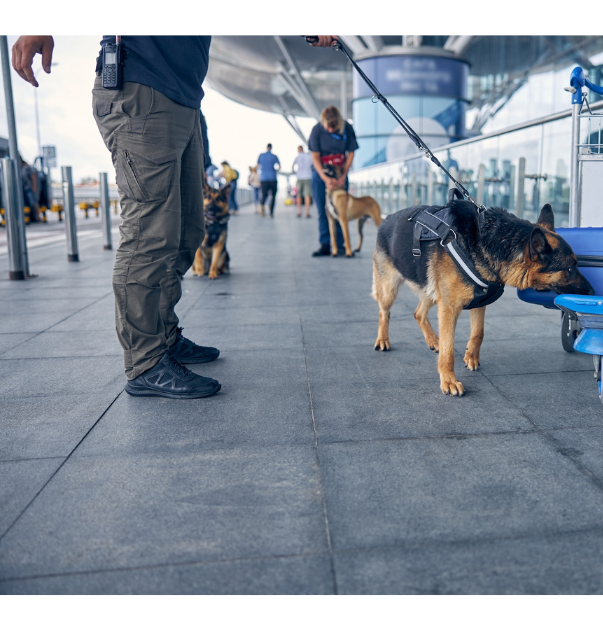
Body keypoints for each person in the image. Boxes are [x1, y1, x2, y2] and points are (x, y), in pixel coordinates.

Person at [11, 35, 338, 399]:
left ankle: (164, 337)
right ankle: (146, 362)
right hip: (142, 88)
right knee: (149, 235)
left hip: (183, 99)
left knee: (187, 231)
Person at [308, 106, 358, 256]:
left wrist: (343, 175)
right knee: (323, 209)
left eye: (334, 128)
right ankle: (325, 244)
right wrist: (325, 178)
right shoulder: (316, 130)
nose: (330, 131)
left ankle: (341, 245)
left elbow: (351, 153)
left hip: (340, 172)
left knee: (341, 211)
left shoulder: (347, 128)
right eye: (328, 128)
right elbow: (315, 157)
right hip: (320, 174)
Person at [257, 143, 281, 217]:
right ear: (271, 148)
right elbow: (279, 166)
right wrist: (275, 171)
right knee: (273, 196)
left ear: (266, 147)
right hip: (273, 178)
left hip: (264, 178)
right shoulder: (274, 156)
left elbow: (257, 166)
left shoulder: (261, 156)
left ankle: (262, 206)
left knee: (264, 194)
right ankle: (271, 212)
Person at [292, 145, 313, 218]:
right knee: (307, 195)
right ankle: (307, 212)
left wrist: (295, 172)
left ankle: (299, 211)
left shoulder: (297, 157)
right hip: (308, 177)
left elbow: (293, 166)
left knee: (299, 195)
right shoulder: (309, 157)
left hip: (300, 177)